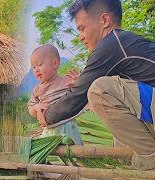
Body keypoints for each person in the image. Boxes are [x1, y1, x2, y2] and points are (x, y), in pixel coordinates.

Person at [39, 0, 155, 171]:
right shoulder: (124, 43)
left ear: (104, 20)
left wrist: (46, 116)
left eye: (82, 28)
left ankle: (149, 158)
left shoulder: (111, 43)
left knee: (99, 90)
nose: (80, 36)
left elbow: (77, 96)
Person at [28, 44, 83, 145]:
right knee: (41, 152)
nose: (36, 70)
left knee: (72, 152)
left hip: (68, 125)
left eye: (40, 65)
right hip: (49, 129)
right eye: (33, 67)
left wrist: (78, 82)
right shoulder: (37, 90)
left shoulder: (66, 81)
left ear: (55, 63)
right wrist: (36, 107)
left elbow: (79, 94)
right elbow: (30, 109)